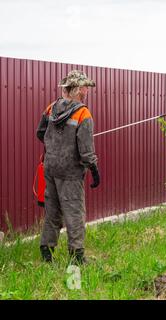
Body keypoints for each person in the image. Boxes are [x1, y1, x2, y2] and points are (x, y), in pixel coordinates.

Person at [36, 70, 100, 265]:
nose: (87, 92)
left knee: (53, 210)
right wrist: (94, 170)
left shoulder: (50, 108)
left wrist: (57, 145)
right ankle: (77, 256)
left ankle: (47, 252)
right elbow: (86, 151)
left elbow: (40, 134)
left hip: (50, 168)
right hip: (70, 172)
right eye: (85, 88)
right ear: (78, 89)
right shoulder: (83, 113)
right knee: (74, 212)